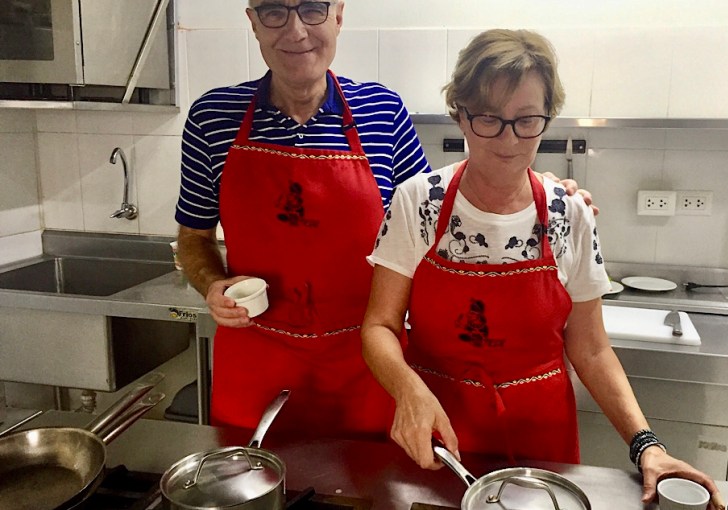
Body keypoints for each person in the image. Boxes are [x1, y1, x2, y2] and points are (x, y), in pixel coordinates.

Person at [174, 0, 590, 439]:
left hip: (367, 369)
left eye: (313, 9)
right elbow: (193, 237)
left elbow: (437, 214)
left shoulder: (383, 113)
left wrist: (530, 183)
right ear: (253, 22)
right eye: (275, 11)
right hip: (255, 364)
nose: (296, 31)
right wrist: (211, 283)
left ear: (337, 15)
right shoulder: (212, 119)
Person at [361, 28, 722, 508]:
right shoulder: (418, 202)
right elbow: (379, 325)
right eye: (490, 119)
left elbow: (591, 349)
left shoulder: (567, 213)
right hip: (439, 435)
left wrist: (646, 445)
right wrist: (407, 391)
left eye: (527, 120)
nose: (508, 140)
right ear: (461, 115)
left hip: (542, 446)